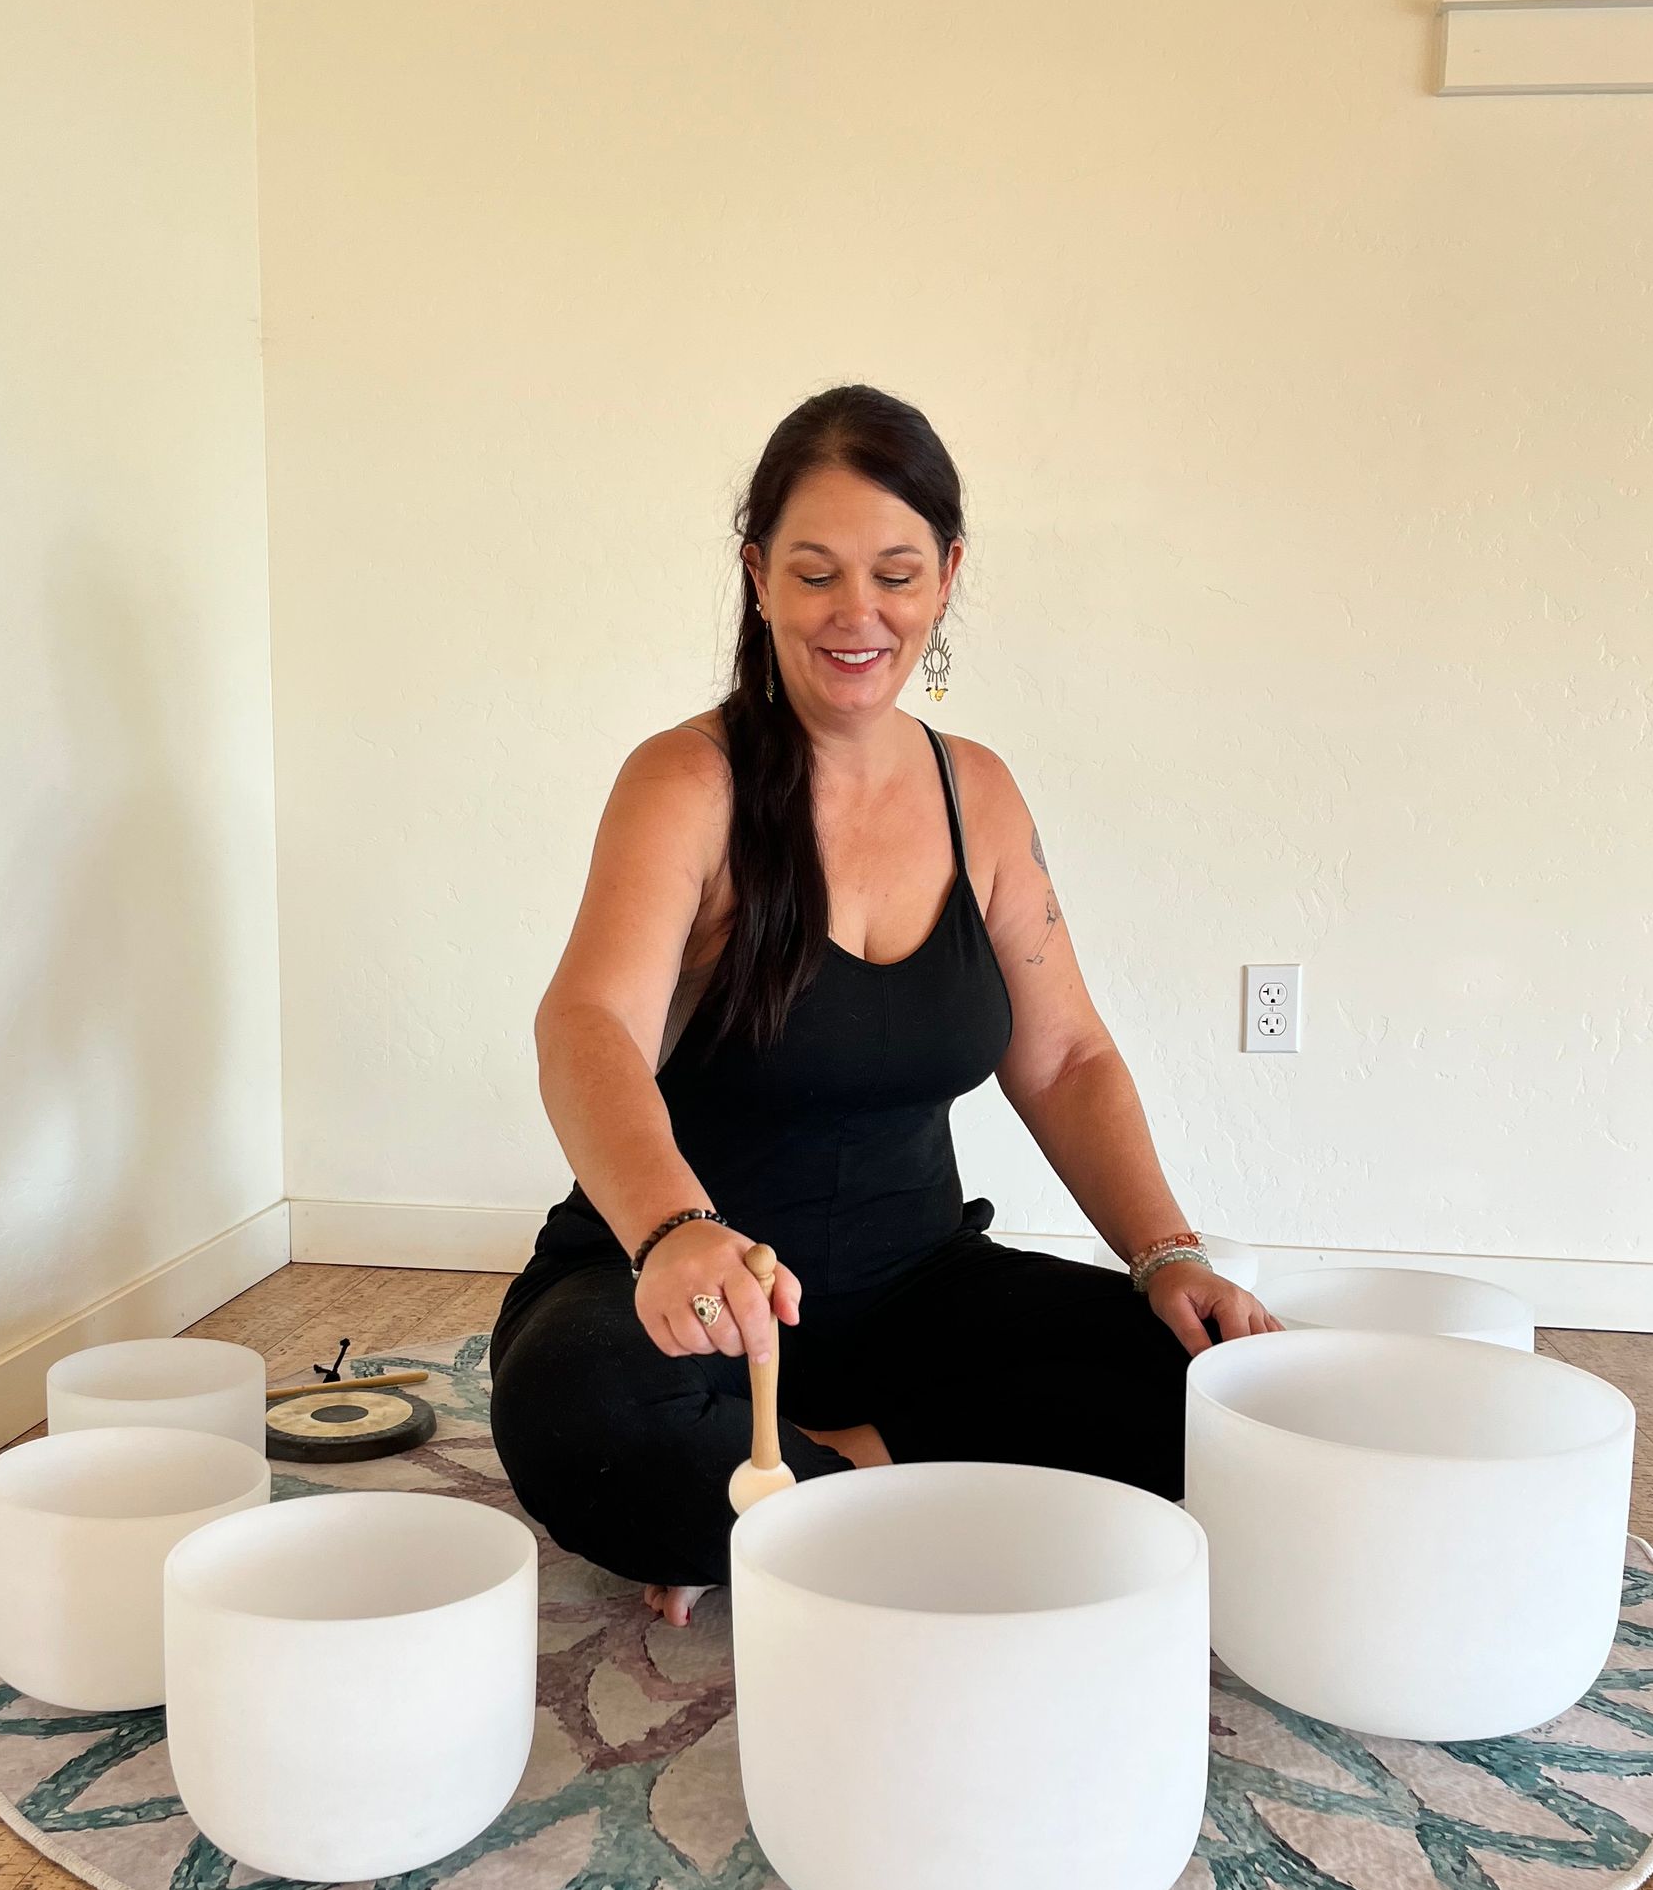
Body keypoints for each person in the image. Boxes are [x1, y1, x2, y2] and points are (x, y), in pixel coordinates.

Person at [489, 384, 1281, 1626]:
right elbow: (584, 1026)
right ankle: (857, 1492)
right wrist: (674, 1230)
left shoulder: (982, 796)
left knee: (1199, 1391)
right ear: (757, 577)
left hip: (916, 1295)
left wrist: (1166, 1252)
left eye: (897, 574)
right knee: (587, 1413)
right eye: (815, 574)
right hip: (685, 1303)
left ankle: (816, 1487)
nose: (859, 614)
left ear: (949, 575)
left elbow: (1066, 1055)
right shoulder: (683, 782)